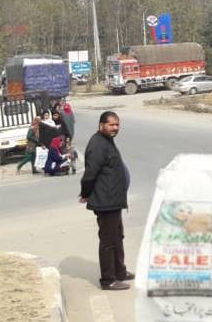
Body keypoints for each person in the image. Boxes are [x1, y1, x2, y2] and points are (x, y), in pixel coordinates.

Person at [79, 111, 133, 290]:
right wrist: (85, 193)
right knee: (108, 241)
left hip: (114, 200)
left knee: (117, 237)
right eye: (111, 125)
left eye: (117, 124)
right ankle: (108, 280)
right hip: (105, 201)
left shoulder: (107, 141)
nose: (115, 128)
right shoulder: (97, 145)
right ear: (101, 125)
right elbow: (90, 174)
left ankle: (120, 272)